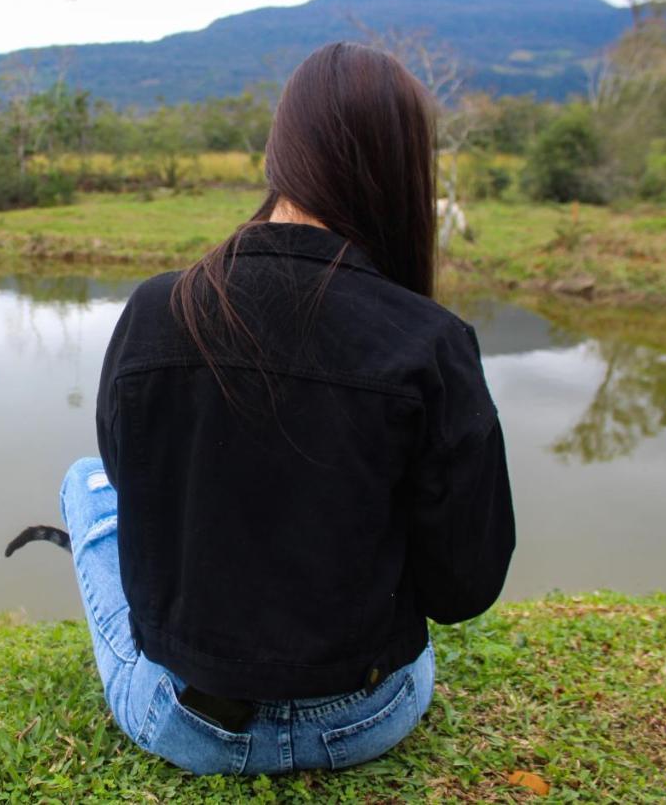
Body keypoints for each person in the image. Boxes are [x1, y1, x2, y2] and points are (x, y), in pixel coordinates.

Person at [58, 42, 516, 776]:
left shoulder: (155, 309)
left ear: (281, 155)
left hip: (181, 720)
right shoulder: (431, 341)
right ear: (404, 170)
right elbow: (463, 588)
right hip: (368, 715)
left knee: (87, 482)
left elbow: (133, 479)